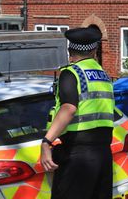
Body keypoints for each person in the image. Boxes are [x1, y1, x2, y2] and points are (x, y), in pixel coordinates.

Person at [40, 27, 114, 199]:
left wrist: (46, 142)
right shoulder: (104, 76)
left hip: (78, 155)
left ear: (69, 51)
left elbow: (69, 108)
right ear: (95, 50)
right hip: (103, 154)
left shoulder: (71, 73)